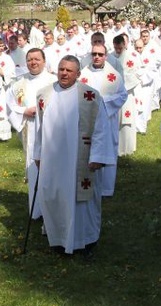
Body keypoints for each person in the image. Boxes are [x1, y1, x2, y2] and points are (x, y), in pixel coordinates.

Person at [32, 55, 112, 255]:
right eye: (61, 69)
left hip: (80, 159)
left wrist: (97, 156)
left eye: (69, 70)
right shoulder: (44, 94)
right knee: (54, 195)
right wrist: (38, 153)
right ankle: (58, 238)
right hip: (53, 160)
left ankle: (85, 240)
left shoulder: (90, 96)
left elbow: (101, 128)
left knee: (82, 201)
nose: (64, 73)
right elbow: (39, 128)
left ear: (78, 73)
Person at [6, 48, 57, 219]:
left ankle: (52, 208)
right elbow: (10, 105)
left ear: (44, 61)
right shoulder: (20, 83)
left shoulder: (54, 81)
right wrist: (24, 111)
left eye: (36, 59)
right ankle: (36, 210)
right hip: (31, 129)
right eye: (29, 60)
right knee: (34, 167)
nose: (33, 62)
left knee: (51, 168)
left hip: (51, 131)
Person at [78, 42, 127, 197]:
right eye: (94, 54)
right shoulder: (83, 74)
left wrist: (103, 102)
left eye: (100, 54)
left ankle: (106, 188)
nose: (97, 57)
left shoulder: (114, 76)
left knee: (107, 147)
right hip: (87, 120)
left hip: (107, 119)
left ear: (106, 56)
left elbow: (122, 95)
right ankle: (87, 183)